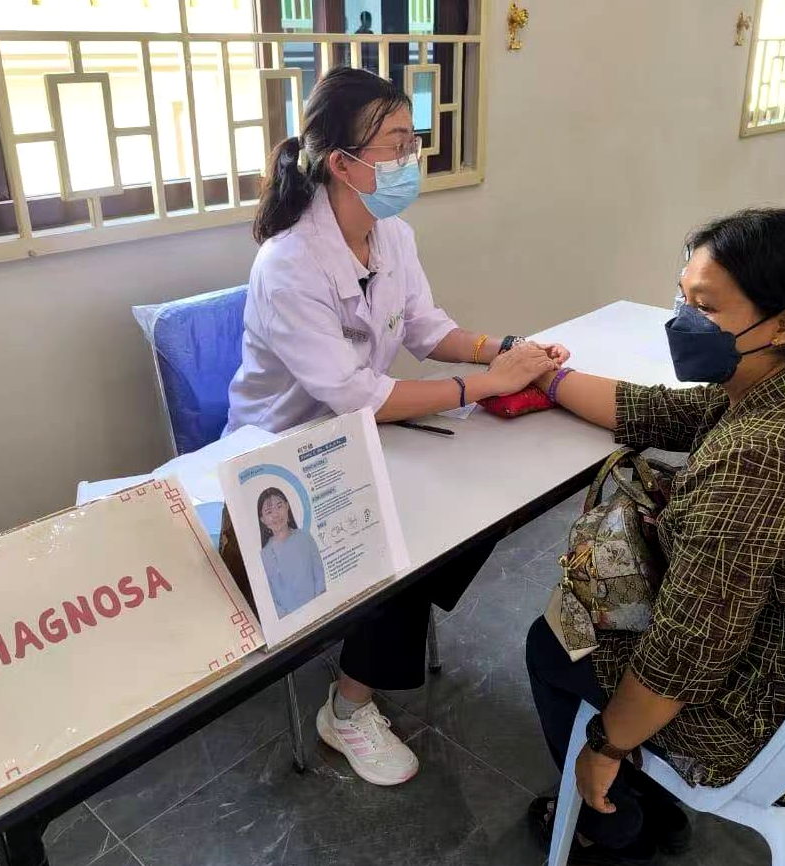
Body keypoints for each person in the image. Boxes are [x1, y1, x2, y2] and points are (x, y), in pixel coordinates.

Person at [523, 209, 785, 864]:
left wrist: (606, 747)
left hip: (781, 724)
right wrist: (545, 376)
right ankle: (647, 792)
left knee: (551, 642)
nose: (682, 319)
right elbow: (655, 410)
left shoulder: (757, 459)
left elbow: (684, 657)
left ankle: (615, 827)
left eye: (704, 306)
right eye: (682, 296)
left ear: (783, 323)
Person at [224, 66, 568, 787]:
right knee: (416, 535)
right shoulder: (288, 264)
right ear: (342, 163)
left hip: (360, 436)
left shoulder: (391, 235)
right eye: (397, 143)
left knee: (482, 503)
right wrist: (486, 384)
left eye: (413, 139)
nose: (413, 157)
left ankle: (381, 628)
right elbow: (354, 394)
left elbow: (425, 328)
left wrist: (506, 350)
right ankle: (347, 710)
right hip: (287, 455)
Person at [256, 487, 327, 617]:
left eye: (279, 506)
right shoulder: (264, 556)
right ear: (263, 520)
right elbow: (270, 598)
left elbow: (319, 576)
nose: (276, 515)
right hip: (289, 621)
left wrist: (317, 607)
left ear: (287, 506)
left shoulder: (305, 537)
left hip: (319, 612)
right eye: (269, 512)